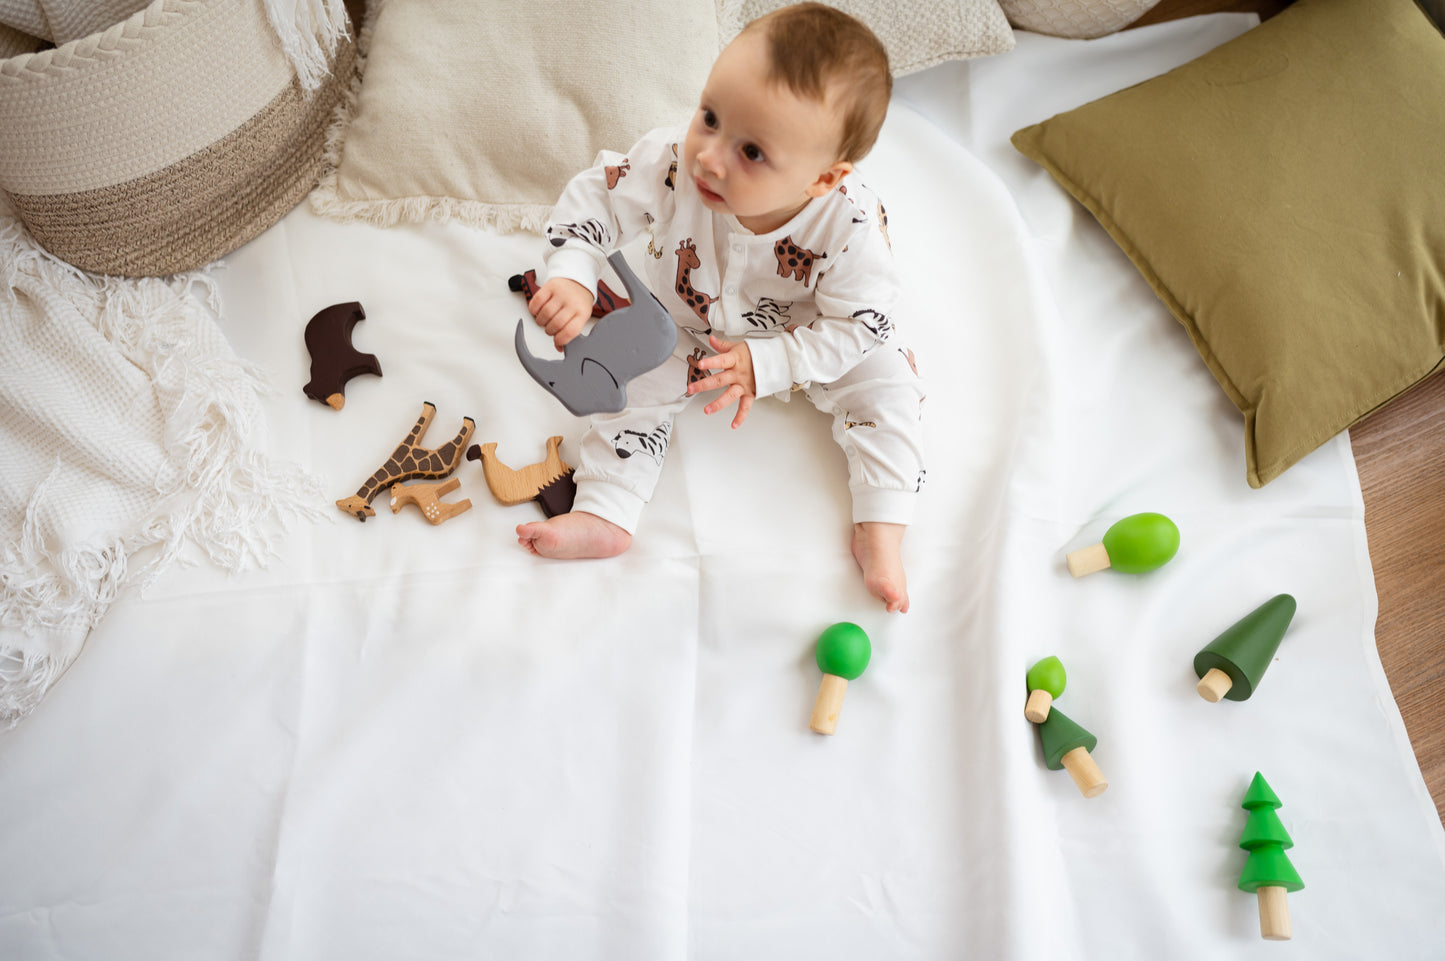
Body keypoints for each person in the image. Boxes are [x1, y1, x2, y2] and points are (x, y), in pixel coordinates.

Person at [517, 2, 925, 614]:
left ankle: (883, 522)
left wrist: (775, 362)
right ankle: (606, 508)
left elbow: (863, 324)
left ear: (824, 179)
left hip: (812, 336)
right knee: (629, 388)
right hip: (680, 325)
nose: (710, 155)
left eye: (751, 152)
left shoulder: (852, 226)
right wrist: (574, 276)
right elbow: (596, 199)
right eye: (710, 116)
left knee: (891, 386)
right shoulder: (674, 163)